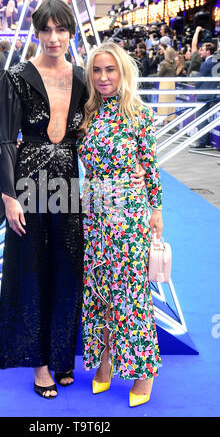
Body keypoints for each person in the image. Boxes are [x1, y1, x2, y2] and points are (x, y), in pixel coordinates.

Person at [0, 0, 146, 400]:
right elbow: (6, 141)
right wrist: (9, 196)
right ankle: (40, 366)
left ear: (71, 34)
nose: (54, 38)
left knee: (66, 271)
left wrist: (138, 166)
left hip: (69, 189)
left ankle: (62, 358)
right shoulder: (16, 77)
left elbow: (111, 120)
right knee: (33, 271)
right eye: (47, 30)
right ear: (37, 33)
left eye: (62, 30)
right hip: (28, 187)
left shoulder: (83, 79)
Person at [77, 41, 163, 408]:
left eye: (110, 70)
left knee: (131, 294)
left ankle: (144, 374)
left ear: (123, 72)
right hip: (94, 212)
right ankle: (106, 362)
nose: (103, 77)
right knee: (100, 291)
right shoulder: (87, 113)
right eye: (96, 70)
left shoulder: (139, 114)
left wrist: (156, 209)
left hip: (127, 213)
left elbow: (151, 165)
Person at [190, 42, 219, 148]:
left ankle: (202, 142)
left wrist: (195, 90)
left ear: (208, 51)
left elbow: (199, 80)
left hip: (204, 95)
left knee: (201, 118)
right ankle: (204, 140)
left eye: (202, 49)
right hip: (212, 94)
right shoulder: (215, 60)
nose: (200, 52)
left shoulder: (207, 63)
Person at [157, 46, 177, 125]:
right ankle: (170, 122)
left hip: (164, 84)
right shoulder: (174, 63)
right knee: (170, 103)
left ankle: (165, 122)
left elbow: (159, 74)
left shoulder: (164, 63)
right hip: (172, 84)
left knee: (164, 103)